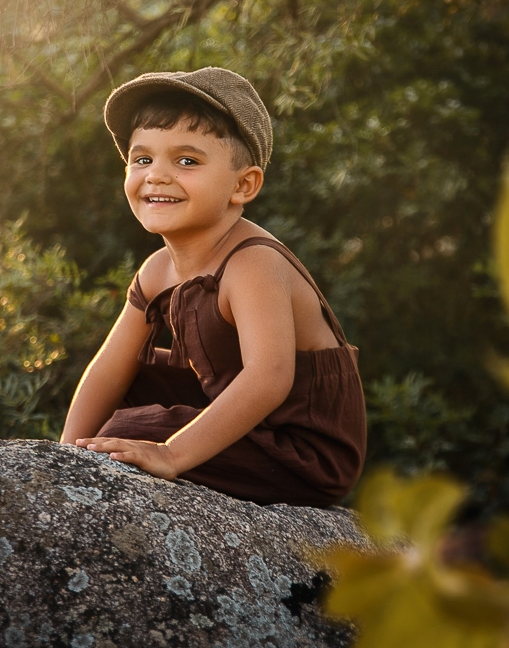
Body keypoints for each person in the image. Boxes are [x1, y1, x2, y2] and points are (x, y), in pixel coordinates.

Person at [60, 67, 366, 506]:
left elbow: (269, 377)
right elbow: (109, 369)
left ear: (243, 185)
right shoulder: (157, 270)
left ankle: (171, 447)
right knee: (130, 381)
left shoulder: (253, 263)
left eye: (186, 161)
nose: (157, 175)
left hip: (301, 452)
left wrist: (171, 453)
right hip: (244, 421)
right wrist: (66, 455)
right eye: (142, 159)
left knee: (127, 431)